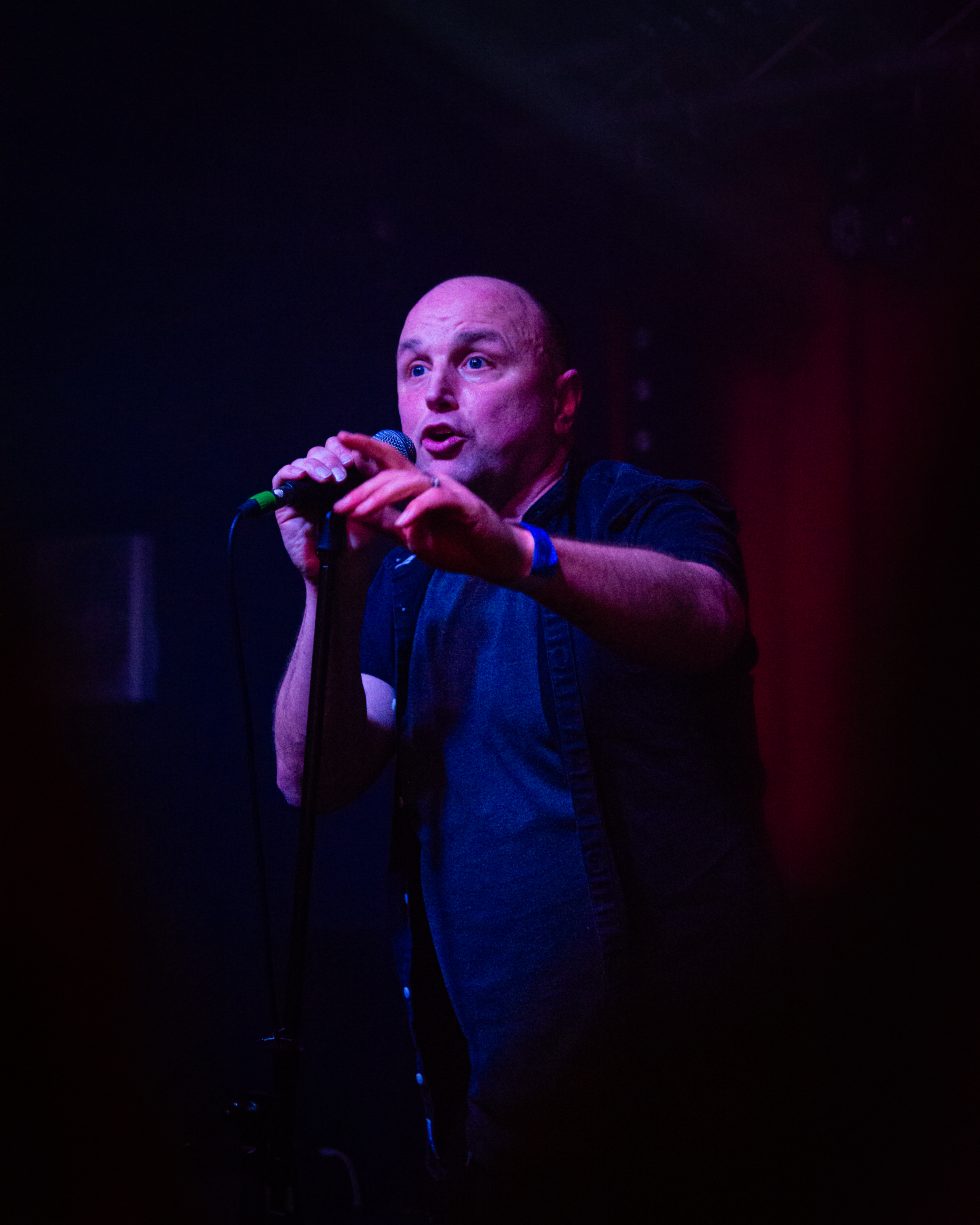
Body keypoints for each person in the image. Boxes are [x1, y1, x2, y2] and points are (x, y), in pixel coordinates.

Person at [272, 276, 793, 1224]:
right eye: (414, 368)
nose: (436, 393)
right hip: (504, 1113)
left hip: (681, 1103)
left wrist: (517, 552)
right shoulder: (404, 578)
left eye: (475, 361)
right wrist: (329, 589)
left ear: (563, 401)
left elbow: (707, 613)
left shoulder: (639, 510)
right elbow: (313, 776)